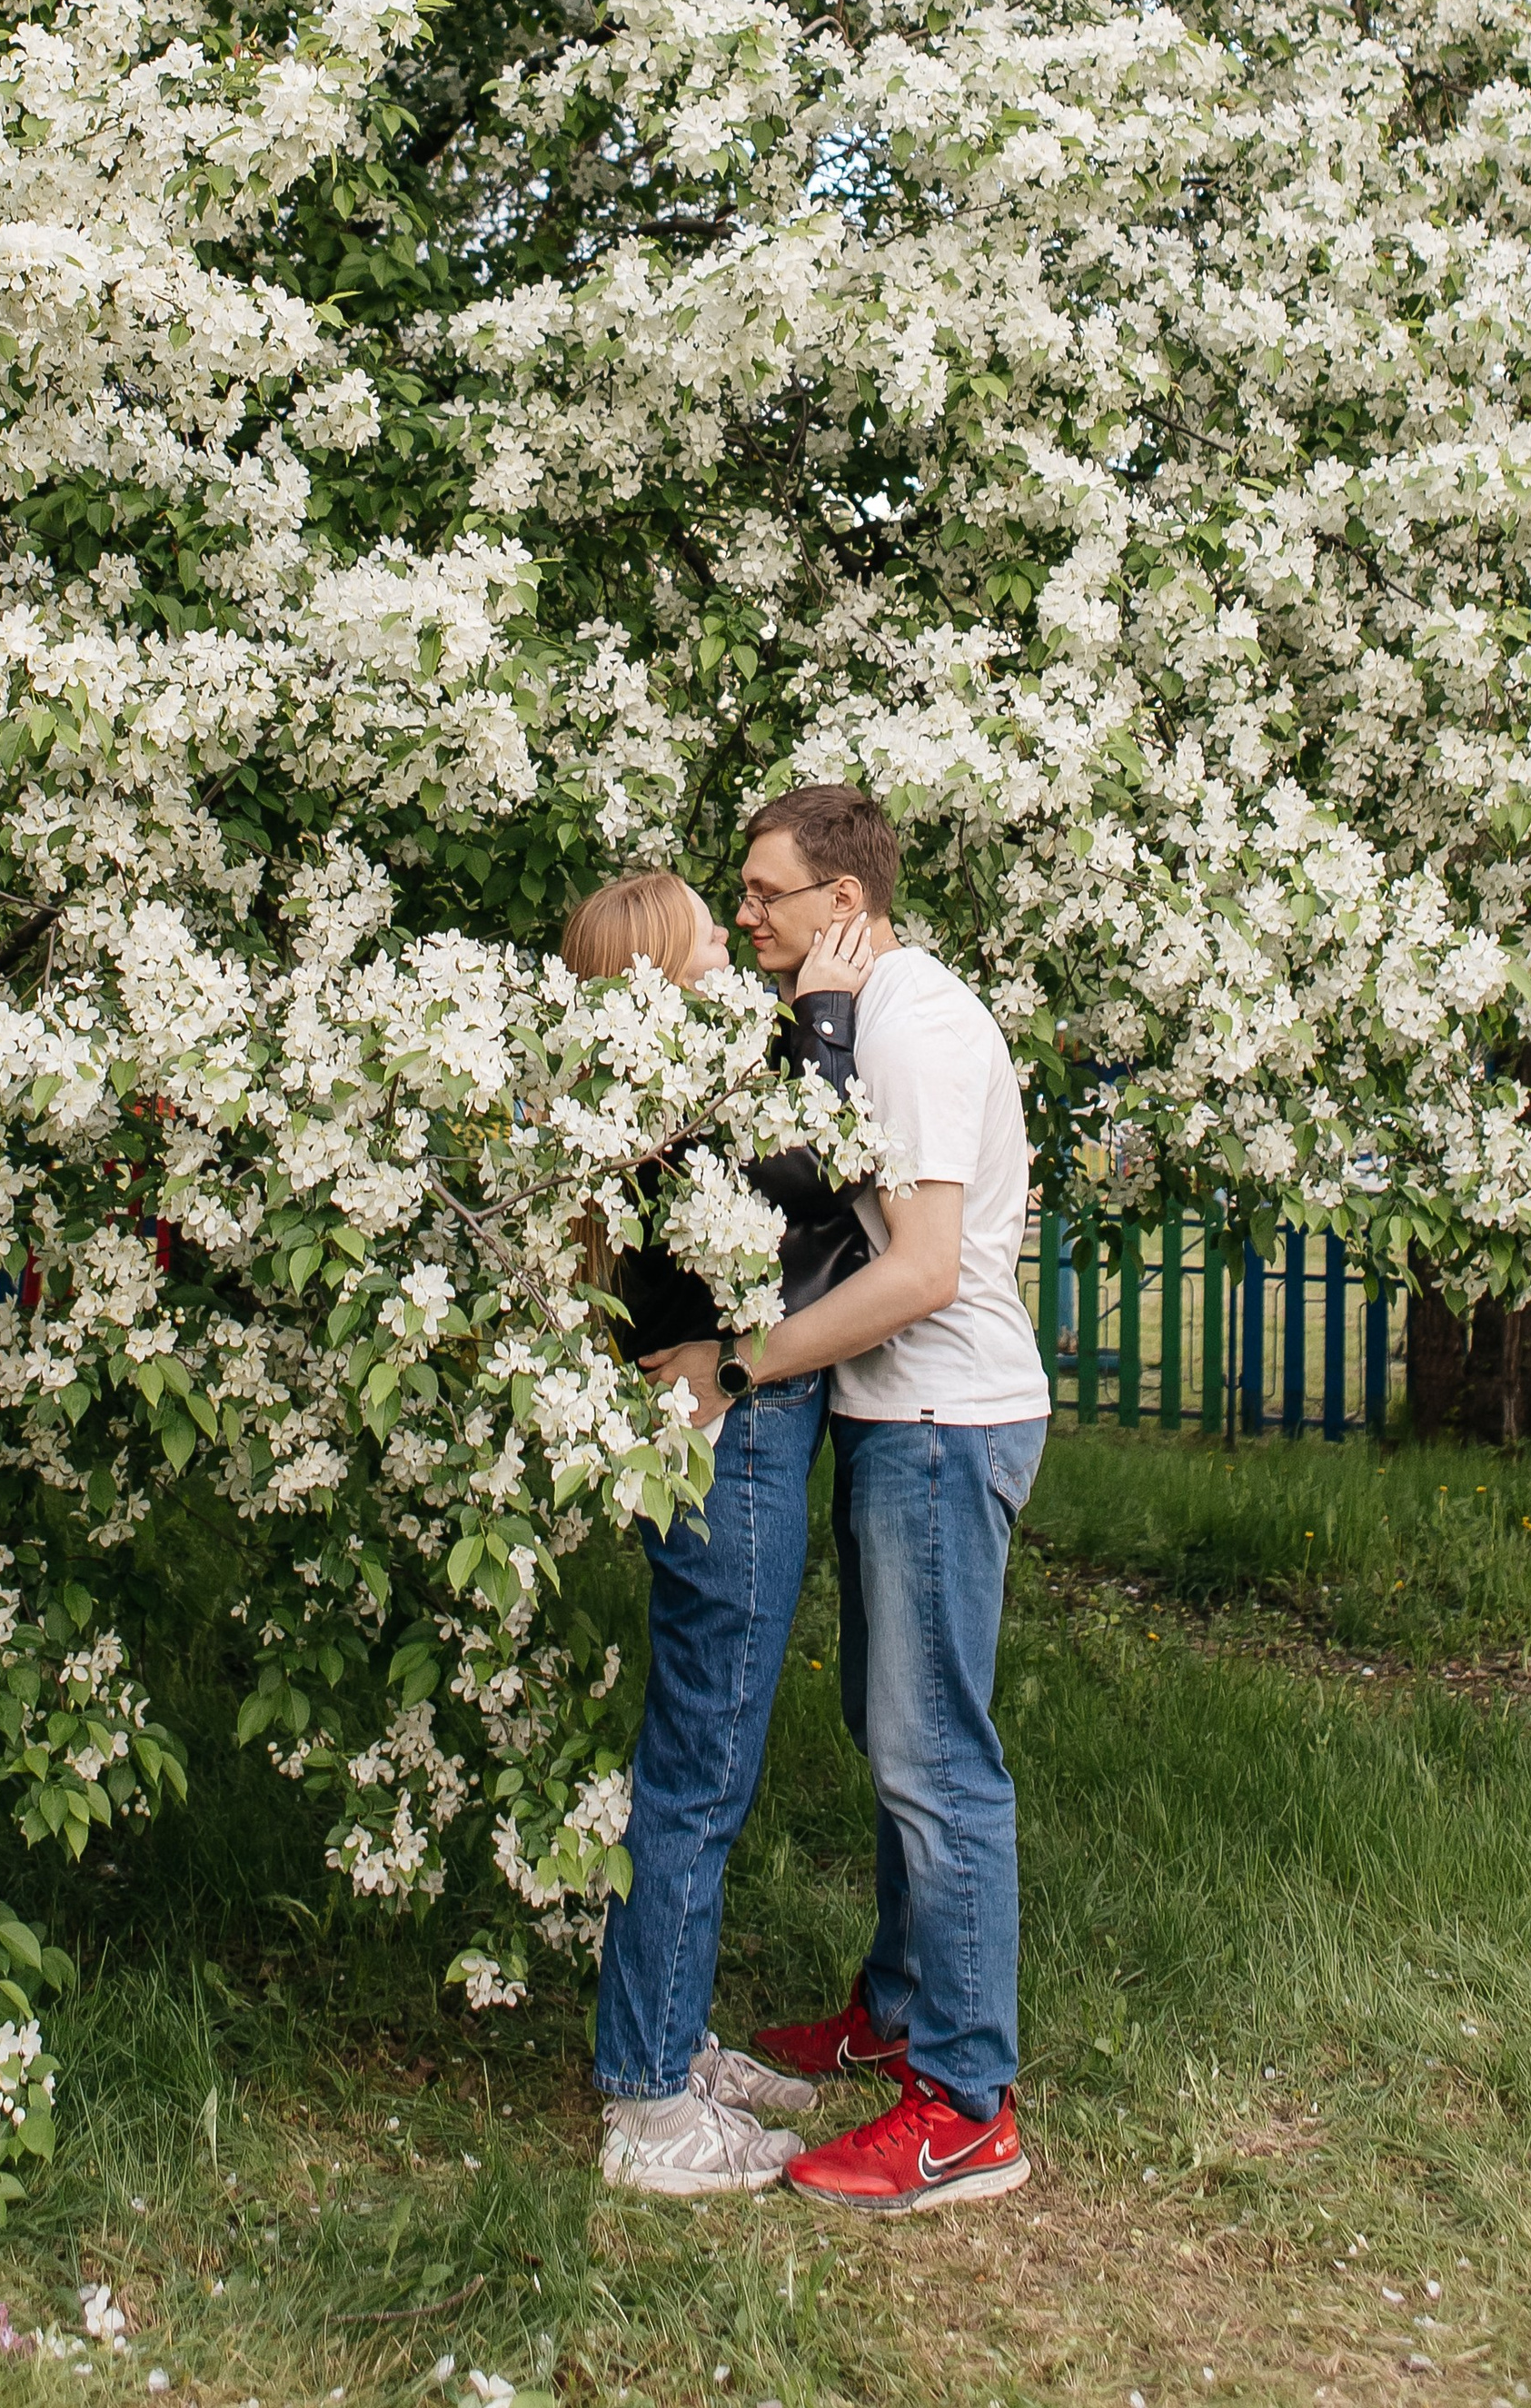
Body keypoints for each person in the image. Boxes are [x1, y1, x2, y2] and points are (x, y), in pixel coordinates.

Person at [640, 785, 1050, 2215]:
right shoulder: (856, 1017)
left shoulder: (916, 1022)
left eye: (766, 893)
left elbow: (926, 1269)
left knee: (938, 1760)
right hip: (900, 1421)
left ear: (846, 905)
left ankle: (963, 2107)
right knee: (889, 1736)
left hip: (946, 1423)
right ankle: (898, 2010)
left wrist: (738, 1366)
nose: (745, 913)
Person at [560, 866, 876, 2198]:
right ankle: (646, 2101)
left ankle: (672, 2045)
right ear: (656, 971)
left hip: (739, 1445)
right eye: (706, 930)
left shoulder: (677, 1085)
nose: (730, 944)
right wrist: (830, 1015)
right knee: (700, 1762)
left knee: (706, 1750)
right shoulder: (673, 1092)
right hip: (727, 1451)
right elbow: (812, 1168)